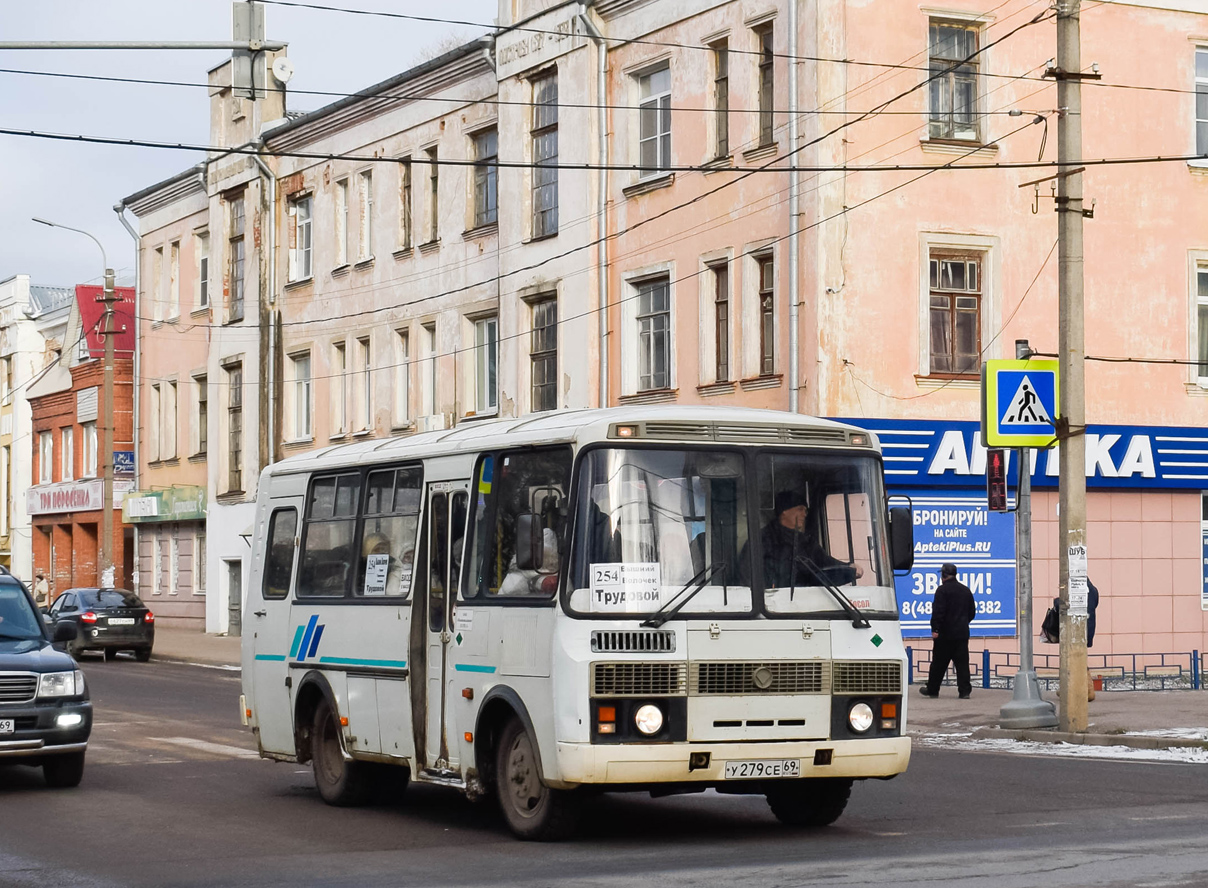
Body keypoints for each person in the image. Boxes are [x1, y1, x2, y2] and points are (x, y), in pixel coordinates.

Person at [746, 490, 860, 588]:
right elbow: (747, 576)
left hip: (805, 603)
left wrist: (848, 567)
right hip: (772, 605)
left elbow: (825, 562)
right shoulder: (761, 540)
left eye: (805, 511)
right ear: (784, 511)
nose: (804, 514)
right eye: (800, 509)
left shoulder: (806, 542)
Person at [919, 563, 976, 699]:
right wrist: (962, 623)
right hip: (961, 634)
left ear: (943, 575)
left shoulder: (942, 590)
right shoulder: (965, 590)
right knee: (962, 664)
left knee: (938, 663)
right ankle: (964, 691)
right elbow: (972, 612)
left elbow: (938, 612)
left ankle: (933, 689)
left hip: (945, 634)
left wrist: (935, 629)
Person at [1086, 578, 1100, 701]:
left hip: (1078, 629)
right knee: (1080, 659)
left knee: (1076, 661)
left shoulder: (1077, 590)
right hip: (1089, 627)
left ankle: (1088, 691)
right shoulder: (1094, 590)